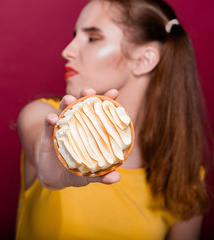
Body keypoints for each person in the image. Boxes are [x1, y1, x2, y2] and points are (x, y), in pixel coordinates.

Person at [16, 0, 212, 239]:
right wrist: (57, 159)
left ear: (144, 60)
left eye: (92, 38)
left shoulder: (184, 178)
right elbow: (41, 143)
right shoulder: (44, 118)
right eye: (75, 35)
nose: (67, 51)